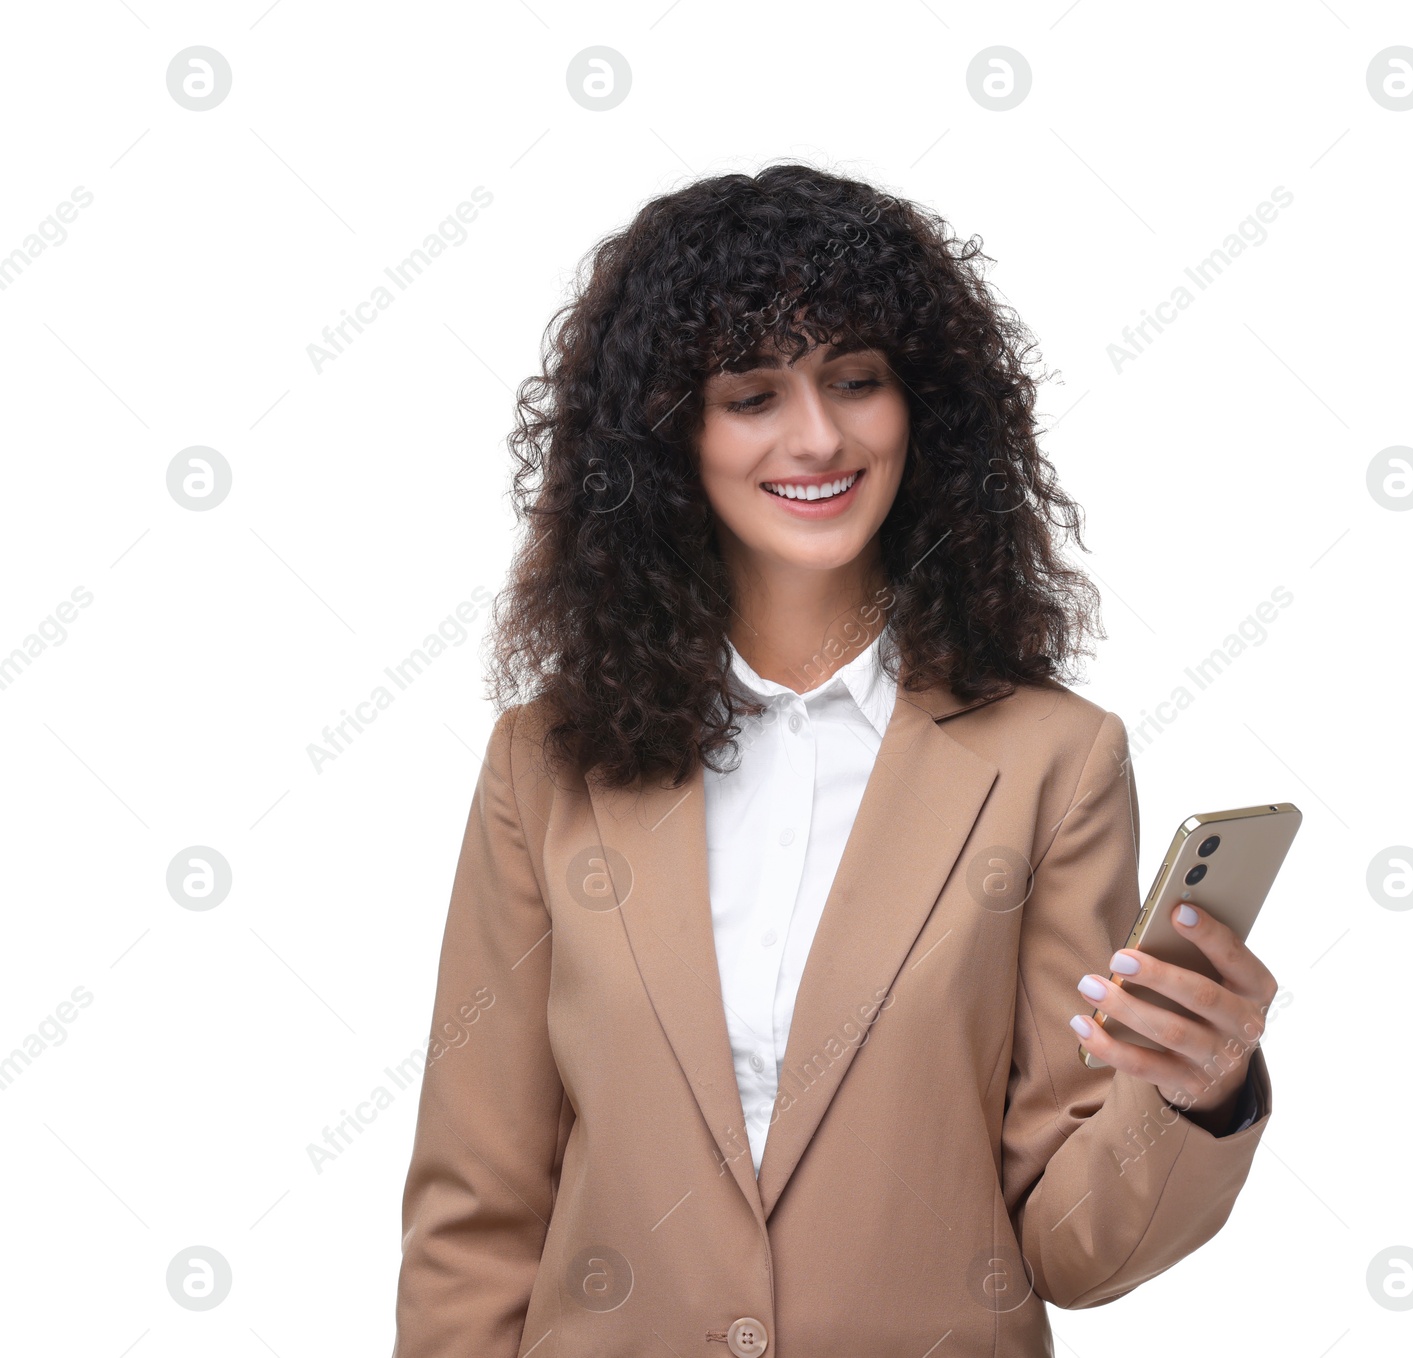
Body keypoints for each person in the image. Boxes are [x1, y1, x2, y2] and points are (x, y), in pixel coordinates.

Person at [392, 163, 1276, 1357]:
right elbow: (476, 1206)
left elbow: (1071, 1247)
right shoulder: (545, 765)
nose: (818, 435)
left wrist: (1192, 1090)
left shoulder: (1054, 763)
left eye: (856, 380)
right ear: (666, 435)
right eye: (751, 394)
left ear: (925, 405)